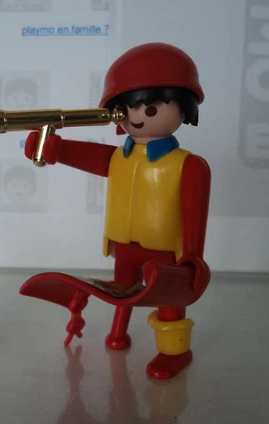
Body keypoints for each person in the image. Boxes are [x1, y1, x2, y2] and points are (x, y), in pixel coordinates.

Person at [22, 43, 211, 379]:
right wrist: (55, 148)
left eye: (150, 109)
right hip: (124, 241)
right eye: (126, 109)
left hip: (167, 248)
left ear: (184, 107)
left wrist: (193, 255)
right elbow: (88, 156)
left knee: (169, 301)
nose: (136, 117)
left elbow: (196, 213)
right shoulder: (119, 157)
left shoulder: (189, 165)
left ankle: (175, 351)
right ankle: (118, 332)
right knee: (121, 288)